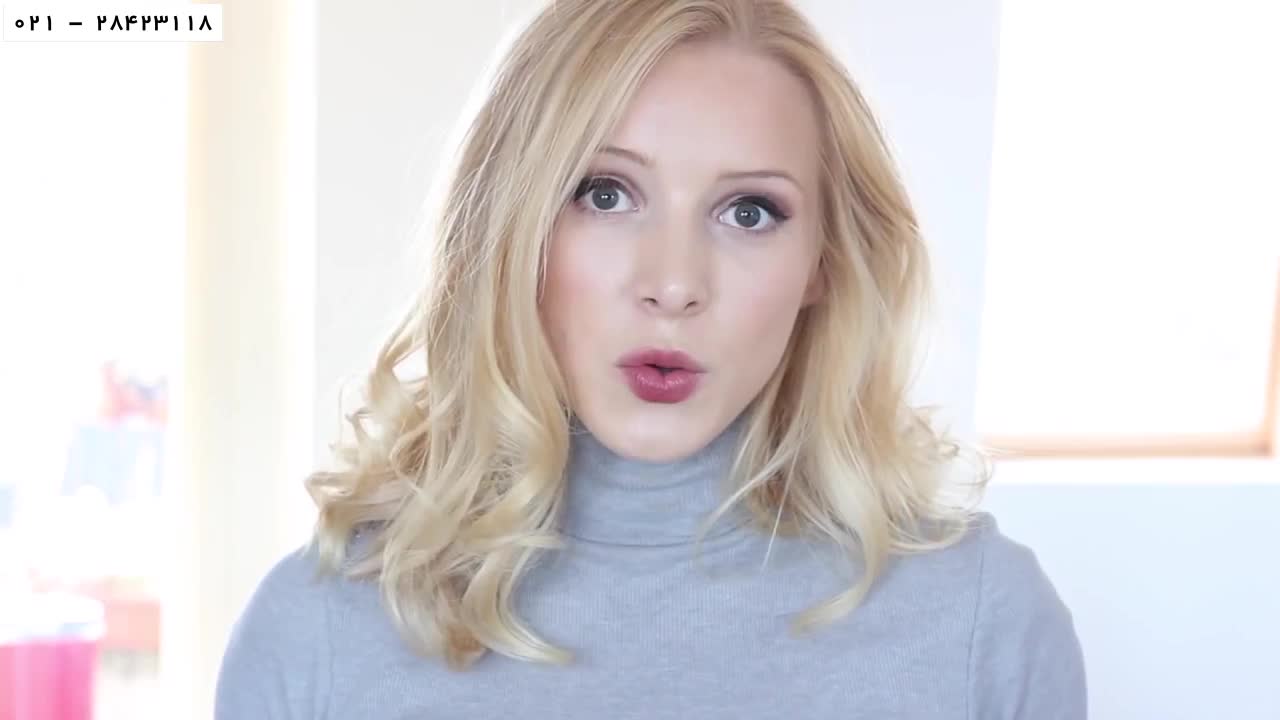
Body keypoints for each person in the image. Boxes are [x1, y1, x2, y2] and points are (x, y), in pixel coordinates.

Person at [215, 1, 1087, 717]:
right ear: (511, 226)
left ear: (823, 262)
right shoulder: (318, 632)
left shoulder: (982, 624)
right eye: (605, 194)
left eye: (749, 212)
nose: (673, 285)